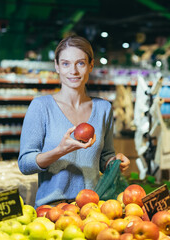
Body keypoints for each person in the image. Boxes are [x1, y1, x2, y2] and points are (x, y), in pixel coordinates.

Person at [18, 35, 130, 208]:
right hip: (52, 208)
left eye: (80, 63)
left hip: (92, 207)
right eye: (65, 63)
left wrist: (114, 163)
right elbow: (25, 164)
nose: (73, 71)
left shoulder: (103, 108)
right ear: (57, 66)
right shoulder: (41, 107)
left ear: (91, 65)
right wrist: (59, 151)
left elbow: (104, 157)